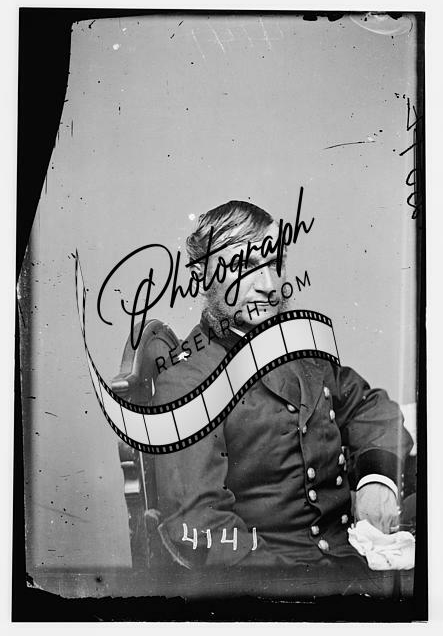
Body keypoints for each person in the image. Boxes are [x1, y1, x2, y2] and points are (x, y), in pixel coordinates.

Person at [151, 200, 413, 594]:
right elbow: (201, 529)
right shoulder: (188, 383)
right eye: (245, 266)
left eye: (275, 264)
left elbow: (369, 406)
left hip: (353, 558)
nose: (269, 285)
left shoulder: (297, 348)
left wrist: (378, 479)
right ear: (203, 276)